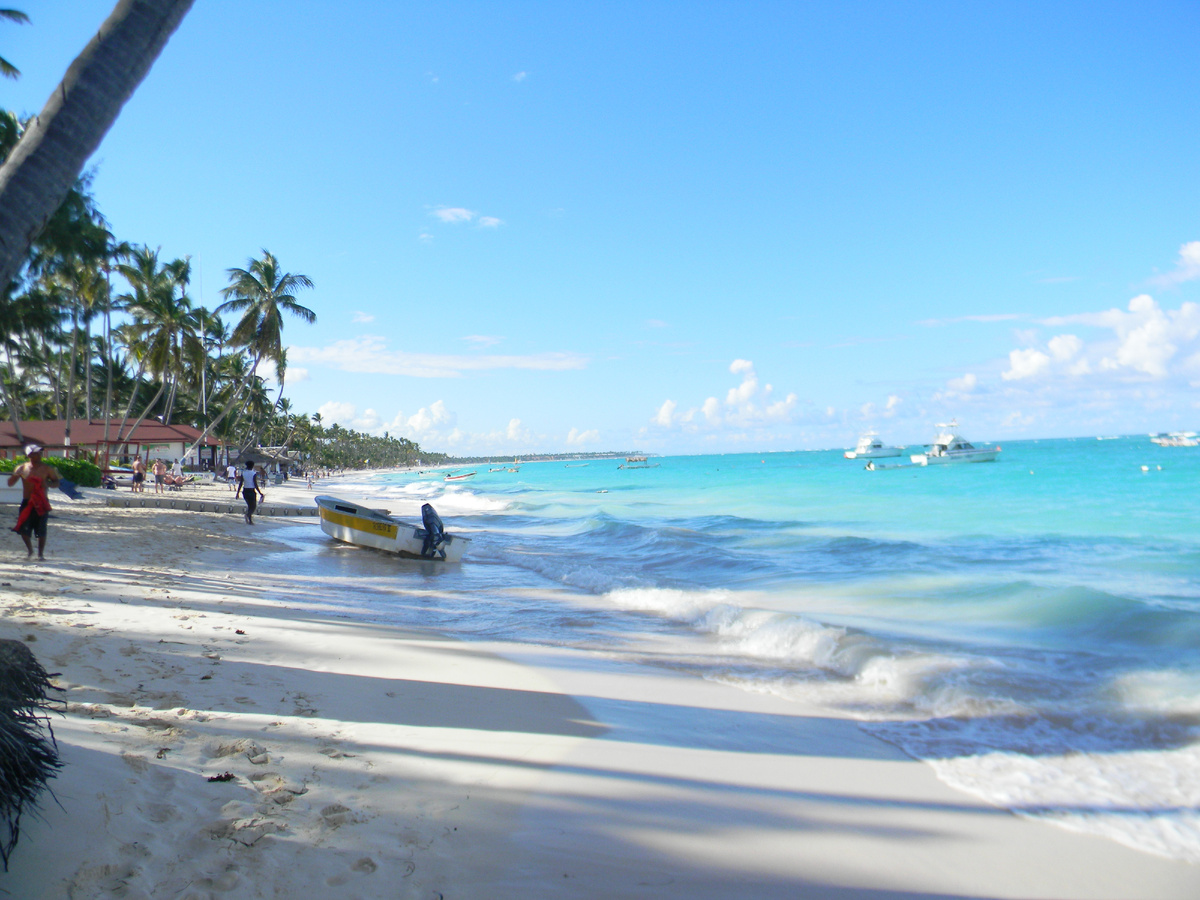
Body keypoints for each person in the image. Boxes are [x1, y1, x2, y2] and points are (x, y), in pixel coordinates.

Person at [7, 444, 61, 560]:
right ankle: (30, 550)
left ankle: (40, 554)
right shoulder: (22, 468)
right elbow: (10, 484)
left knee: (41, 529)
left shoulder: (47, 469)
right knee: (24, 528)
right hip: (27, 501)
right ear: (29, 455)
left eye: (39, 453)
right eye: (36, 453)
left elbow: (56, 483)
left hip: (41, 501)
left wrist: (48, 484)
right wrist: (16, 475)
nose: (39, 455)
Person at [240, 459, 265, 524]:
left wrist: (237, 493)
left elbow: (241, 483)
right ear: (252, 466)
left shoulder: (243, 473)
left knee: (249, 506)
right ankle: (247, 515)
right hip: (251, 491)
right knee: (253, 506)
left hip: (245, 491)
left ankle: (250, 521)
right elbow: (255, 484)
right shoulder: (253, 473)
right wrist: (260, 493)